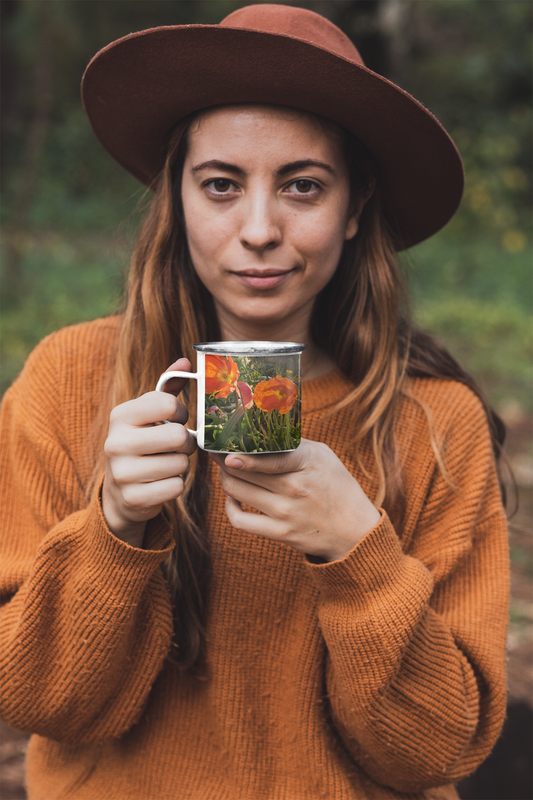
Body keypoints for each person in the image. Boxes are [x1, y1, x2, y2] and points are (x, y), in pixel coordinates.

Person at [0, 5, 509, 799]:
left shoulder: (434, 423)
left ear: (352, 210)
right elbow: (39, 701)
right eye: (221, 186)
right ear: (177, 197)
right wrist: (113, 527)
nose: (260, 229)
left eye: (302, 186)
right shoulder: (70, 381)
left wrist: (358, 556)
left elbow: (434, 753)